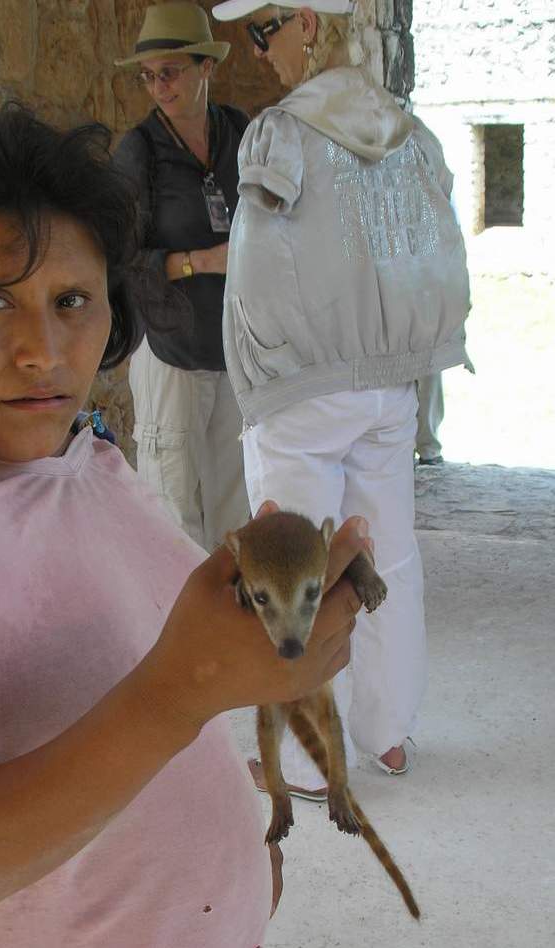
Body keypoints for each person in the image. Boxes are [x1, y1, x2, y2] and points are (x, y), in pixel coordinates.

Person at [0, 102, 370, 947]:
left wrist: (227, 823)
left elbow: (106, 694)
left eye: (73, 299)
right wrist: (191, 688)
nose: (43, 350)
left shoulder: (80, 458)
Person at [211, 2, 471, 793]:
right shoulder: (408, 135)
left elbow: (255, 272)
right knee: (388, 554)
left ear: (307, 23)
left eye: (263, 30)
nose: (258, 52)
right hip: (387, 383)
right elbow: (436, 246)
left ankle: (310, 761)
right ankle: (388, 733)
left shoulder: (280, 134)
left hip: (304, 389)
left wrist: (257, 375)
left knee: (296, 568)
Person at [114, 2, 250, 551]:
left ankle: (232, 606)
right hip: (171, 348)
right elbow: (120, 259)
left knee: (235, 508)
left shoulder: (239, 132)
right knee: (172, 509)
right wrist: (201, 261)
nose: (158, 87)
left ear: (205, 67)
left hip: (236, 347)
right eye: (148, 77)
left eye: (169, 72)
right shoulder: (139, 151)